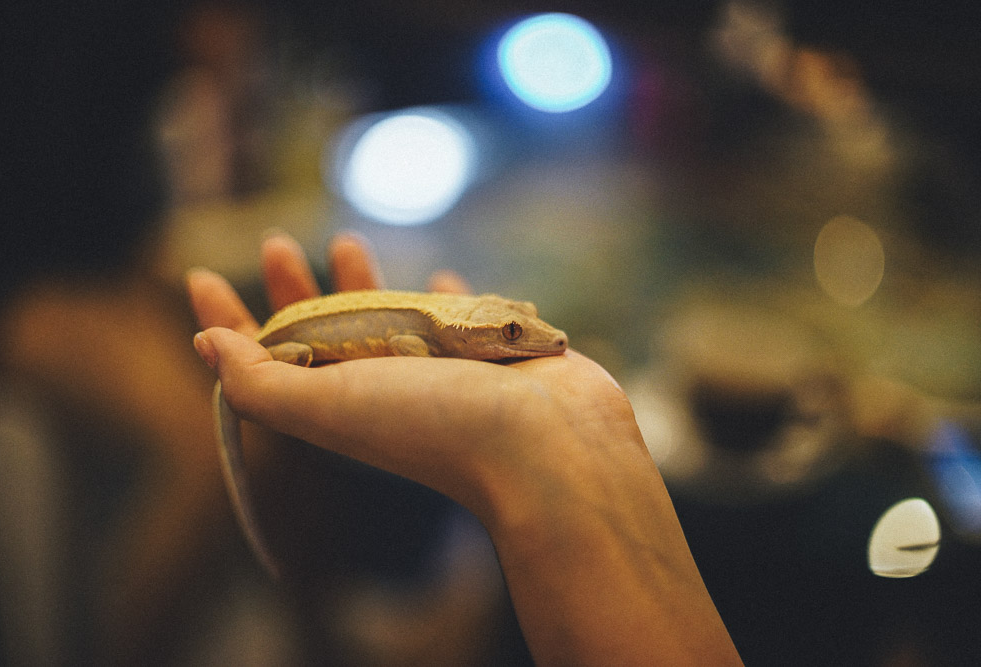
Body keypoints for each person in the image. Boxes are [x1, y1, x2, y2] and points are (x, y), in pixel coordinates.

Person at [187, 231, 743, 665]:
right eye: (509, 334)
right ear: (472, 333)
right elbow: (403, 344)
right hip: (288, 339)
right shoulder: (427, 334)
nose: (552, 341)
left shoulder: (449, 333)